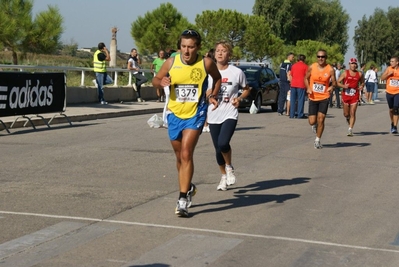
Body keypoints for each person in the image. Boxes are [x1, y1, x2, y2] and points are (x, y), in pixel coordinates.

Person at [152, 29, 222, 217]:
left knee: (186, 153)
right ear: (179, 47)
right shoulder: (171, 62)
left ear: (198, 47)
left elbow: (217, 78)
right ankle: (189, 186)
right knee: (179, 158)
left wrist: (213, 94)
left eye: (191, 47)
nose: (186, 51)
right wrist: (161, 81)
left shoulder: (206, 63)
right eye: (183, 46)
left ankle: (182, 199)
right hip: (175, 114)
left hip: (196, 114)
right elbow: (155, 79)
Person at [206, 40, 250, 191]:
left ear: (229, 54)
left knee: (223, 143)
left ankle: (229, 167)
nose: (219, 53)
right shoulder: (208, 73)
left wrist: (239, 98)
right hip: (213, 114)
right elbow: (203, 93)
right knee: (218, 149)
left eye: (223, 51)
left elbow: (247, 89)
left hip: (229, 113)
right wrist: (207, 95)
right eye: (217, 50)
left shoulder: (236, 72)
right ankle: (223, 176)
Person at [304, 49, 337, 149]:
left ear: (325, 58)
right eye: (318, 56)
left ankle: (317, 140)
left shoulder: (330, 69)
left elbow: (334, 82)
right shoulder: (312, 67)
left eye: (322, 57)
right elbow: (305, 78)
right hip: (313, 97)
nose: (320, 58)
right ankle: (314, 125)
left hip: (324, 97)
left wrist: (332, 87)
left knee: (321, 119)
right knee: (312, 121)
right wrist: (308, 88)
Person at [337, 58, 364, 136]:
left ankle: (350, 129)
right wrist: (343, 86)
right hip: (346, 95)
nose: (353, 65)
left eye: (355, 63)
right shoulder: (345, 73)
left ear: (357, 65)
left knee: (353, 112)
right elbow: (338, 82)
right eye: (352, 63)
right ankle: (347, 118)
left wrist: (361, 86)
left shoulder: (359, 74)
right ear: (349, 64)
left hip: (354, 95)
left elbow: (362, 82)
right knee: (346, 113)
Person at [380, 56, 399, 133]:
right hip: (389, 92)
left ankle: (395, 126)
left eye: (392, 61)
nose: (391, 63)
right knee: (391, 110)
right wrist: (388, 74)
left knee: (396, 108)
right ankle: (392, 122)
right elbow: (382, 78)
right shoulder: (388, 69)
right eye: (390, 61)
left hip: (397, 92)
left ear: (397, 62)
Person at [289, 54, 308, 118]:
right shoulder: (305, 66)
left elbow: (291, 75)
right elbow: (307, 76)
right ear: (304, 59)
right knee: (300, 100)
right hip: (301, 85)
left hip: (293, 84)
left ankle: (292, 114)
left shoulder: (293, 66)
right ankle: (300, 114)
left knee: (293, 100)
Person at [202, 48, 215, 133]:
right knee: (205, 107)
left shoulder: (214, 66)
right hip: (206, 89)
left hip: (211, 89)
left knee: (209, 107)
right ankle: (205, 124)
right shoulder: (206, 65)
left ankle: (207, 124)